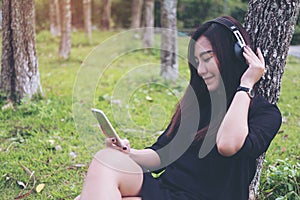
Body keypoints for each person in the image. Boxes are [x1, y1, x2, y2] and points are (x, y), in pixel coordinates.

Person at [76, 16, 282, 200]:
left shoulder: (264, 113)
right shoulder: (198, 104)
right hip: (168, 190)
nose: (201, 70)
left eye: (207, 58)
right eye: (196, 62)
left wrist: (246, 84)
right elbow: (162, 155)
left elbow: (227, 145)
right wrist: (127, 152)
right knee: (106, 160)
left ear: (235, 54)